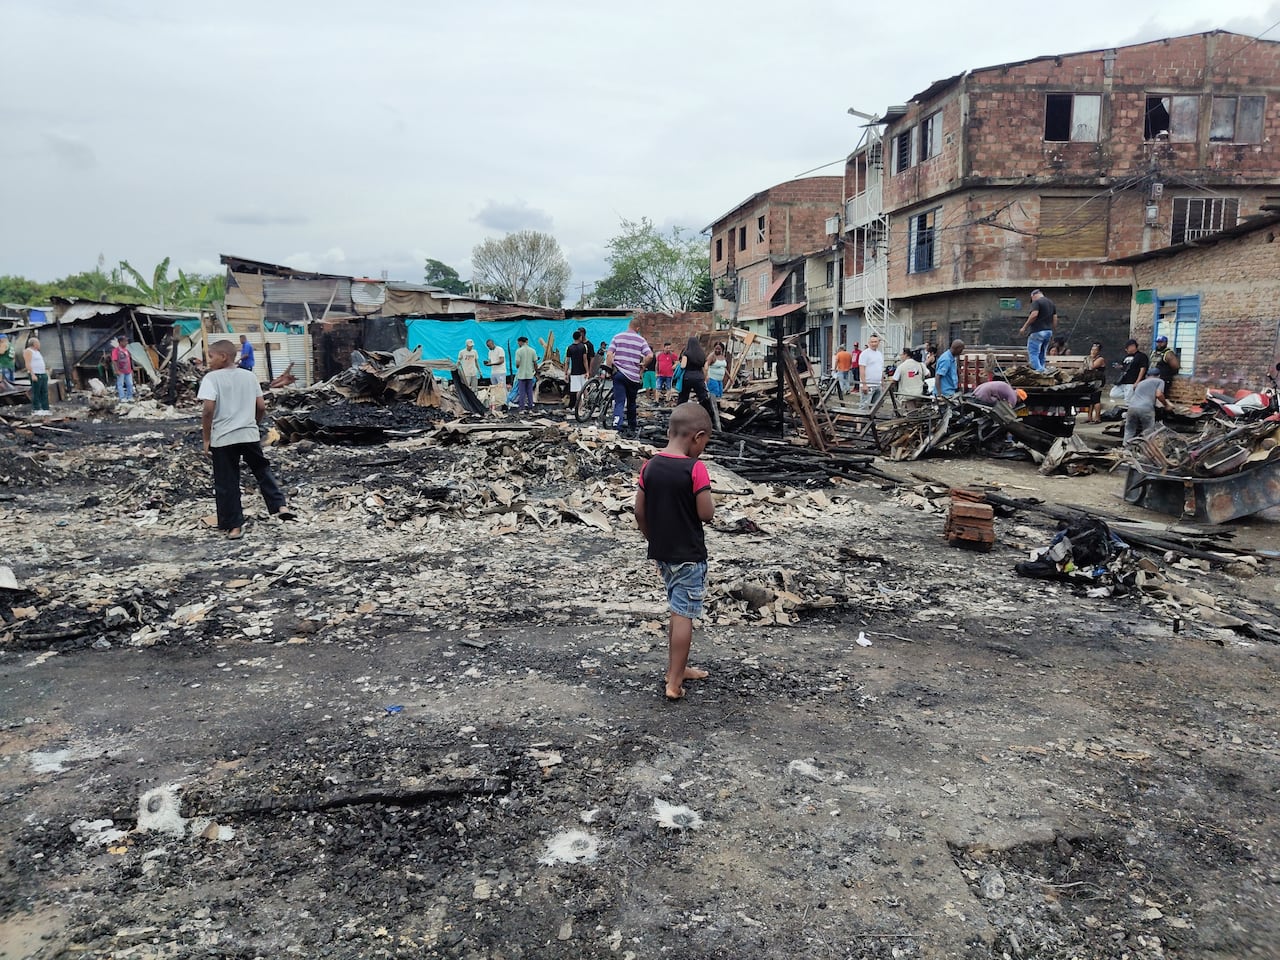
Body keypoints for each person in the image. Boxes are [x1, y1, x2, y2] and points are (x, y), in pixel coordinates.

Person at [634, 402, 715, 702]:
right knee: (684, 615)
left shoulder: (650, 466)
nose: (703, 449)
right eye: (704, 443)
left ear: (669, 432)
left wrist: (652, 541)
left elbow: (639, 511)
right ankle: (674, 682)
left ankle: (676, 668)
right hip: (690, 556)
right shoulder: (695, 469)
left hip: (664, 554)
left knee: (676, 609)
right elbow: (706, 514)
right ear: (698, 437)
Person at [198, 340, 292, 540]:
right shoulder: (249, 376)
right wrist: (253, 424)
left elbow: (207, 410)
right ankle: (279, 505)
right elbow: (261, 407)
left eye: (211, 356)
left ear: (223, 356)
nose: (209, 361)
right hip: (248, 434)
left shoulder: (211, 378)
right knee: (262, 469)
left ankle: (234, 527)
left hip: (223, 438)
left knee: (227, 482)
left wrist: (206, 438)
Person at [606, 318, 652, 434]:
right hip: (633, 376)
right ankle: (632, 426)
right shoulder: (641, 340)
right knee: (632, 402)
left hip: (619, 374)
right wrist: (643, 365)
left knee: (619, 401)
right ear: (638, 328)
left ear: (629, 326)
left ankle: (617, 425)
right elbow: (650, 356)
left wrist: (609, 369)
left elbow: (609, 354)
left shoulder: (617, 337)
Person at [1018, 289, 1057, 373]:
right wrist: (1052, 331)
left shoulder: (1036, 302)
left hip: (1037, 331)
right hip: (1048, 331)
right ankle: (1043, 369)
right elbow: (1055, 319)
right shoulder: (1051, 303)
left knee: (1033, 353)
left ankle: (1039, 370)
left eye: (1031, 299)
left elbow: (1034, 315)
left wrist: (1024, 327)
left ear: (1033, 296)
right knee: (1042, 352)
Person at [677, 336, 715, 422]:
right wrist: (705, 377)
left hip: (687, 377)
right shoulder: (702, 354)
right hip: (699, 377)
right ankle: (709, 415)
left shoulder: (686, 353)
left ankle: (679, 415)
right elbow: (705, 367)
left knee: (683, 397)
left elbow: (683, 366)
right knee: (703, 397)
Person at [1124, 376, 1166, 443]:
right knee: (1148, 431)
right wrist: (1166, 404)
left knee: (1129, 430)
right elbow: (1159, 394)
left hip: (1132, 407)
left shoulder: (1141, 382)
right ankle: (1146, 449)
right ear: (1158, 375)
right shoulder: (1160, 381)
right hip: (1146, 408)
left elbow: (1134, 389)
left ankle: (1125, 449)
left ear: (1147, 376)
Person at [1110, 339, 1148, 404]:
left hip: (1132, 381)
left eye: (1127, 348)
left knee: (1128, 401)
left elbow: (1143, 369)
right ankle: (1133, 396)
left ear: (1133, 346)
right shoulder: (1126, 356)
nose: (1126, 350)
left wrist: (1137, 381)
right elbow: (1124, 367)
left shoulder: (1141, 356)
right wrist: (1119, 367)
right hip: (1123, 381)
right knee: (1113, 394)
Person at [24, 336, 51, 416]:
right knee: (36, 392)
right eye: (38, 343)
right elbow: (28, 363)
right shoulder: (28, 351)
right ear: (34, 344)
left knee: (44, 392)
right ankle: (37, 409)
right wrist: (32, 374)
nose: (39, 345)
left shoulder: (37, 352)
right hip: (36, 374)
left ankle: (45, 408)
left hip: (42, 374)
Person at [1082, 341, 1106, 422]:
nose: (1093, 351)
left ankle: (1097, 418)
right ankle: (1089, 417)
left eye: (1095, 350)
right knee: (1090, 399)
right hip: (1090, 380)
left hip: (1098, 380)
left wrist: (1090, 358)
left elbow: (1091, 366)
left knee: (1096, 399)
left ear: (1098, 351)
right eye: (1092, 349)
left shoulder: (1100, 359)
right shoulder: (1089, 358)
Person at [565, 329, 589, 409]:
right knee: (584, 389)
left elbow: (567, 361)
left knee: (578, 390)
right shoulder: (583, 347)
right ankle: (585, 405)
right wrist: (587, 371)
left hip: (574, 372)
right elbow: (585, 360)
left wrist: (565, 372)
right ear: (579, 337)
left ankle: (580, 406)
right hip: (582, 371)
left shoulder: (569, 348)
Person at [858, 335, 885, 403]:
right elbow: (862, 369)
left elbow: (880, 370)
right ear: (869, 343)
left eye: (875, 342)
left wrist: (882, 384)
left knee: (876, 407)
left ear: (878, 342)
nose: (874, 344)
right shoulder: (864, 354)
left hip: (878, 385)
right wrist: (864, 384)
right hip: (868, 385)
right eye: (872, 342)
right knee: (864, 406)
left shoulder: (880, 354)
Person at [513, 335, 537, 412]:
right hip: (530, 374)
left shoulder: (518, 351)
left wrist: (518, 366)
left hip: (521, 375)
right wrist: (536, 370)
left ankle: (522, 408)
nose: (518, 344)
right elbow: (535, 362)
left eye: (518, 343)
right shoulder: (532, 350)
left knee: (522, 392)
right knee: (530, 391)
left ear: (520, 342)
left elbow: (517, 363)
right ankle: (530, 408)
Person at [111, 336, 136, 402]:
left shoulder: (126, 350)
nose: (127, 343)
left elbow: (129, 360)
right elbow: (114, 360)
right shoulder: (116, 350)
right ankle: (122, 398)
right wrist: (116, 370)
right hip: (120, 371)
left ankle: (129, 397)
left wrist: (131, 370)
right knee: (120, 384)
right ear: (120, 342)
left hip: (128, 371)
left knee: (130, 384)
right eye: (125, 341)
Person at [484, 338, 507, 411]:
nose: (489, 347)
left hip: (500, 371)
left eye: (490, 345)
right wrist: (487, 363)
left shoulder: (500, 349)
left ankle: (504, 403)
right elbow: (490, 360)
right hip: (493, 372)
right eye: (488, 346)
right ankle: (497, 403)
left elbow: (501, 361)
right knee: (494, 389)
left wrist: (491, 363)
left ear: (492, 343)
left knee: (502, 388)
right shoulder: (490, 352)